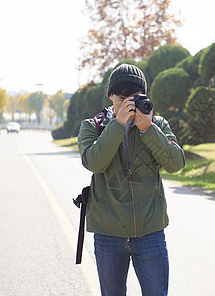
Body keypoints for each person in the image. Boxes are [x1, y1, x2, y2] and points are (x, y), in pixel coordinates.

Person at [78, 63, 185, 296]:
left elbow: (176, 163)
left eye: (134, 97)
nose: (128, 103)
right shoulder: (92, 127)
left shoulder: (157, 124)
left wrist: (148, 129)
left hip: (150, 232)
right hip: (108, 235)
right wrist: (117, 126)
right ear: (110, 96)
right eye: (122, 97)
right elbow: (94, 163)